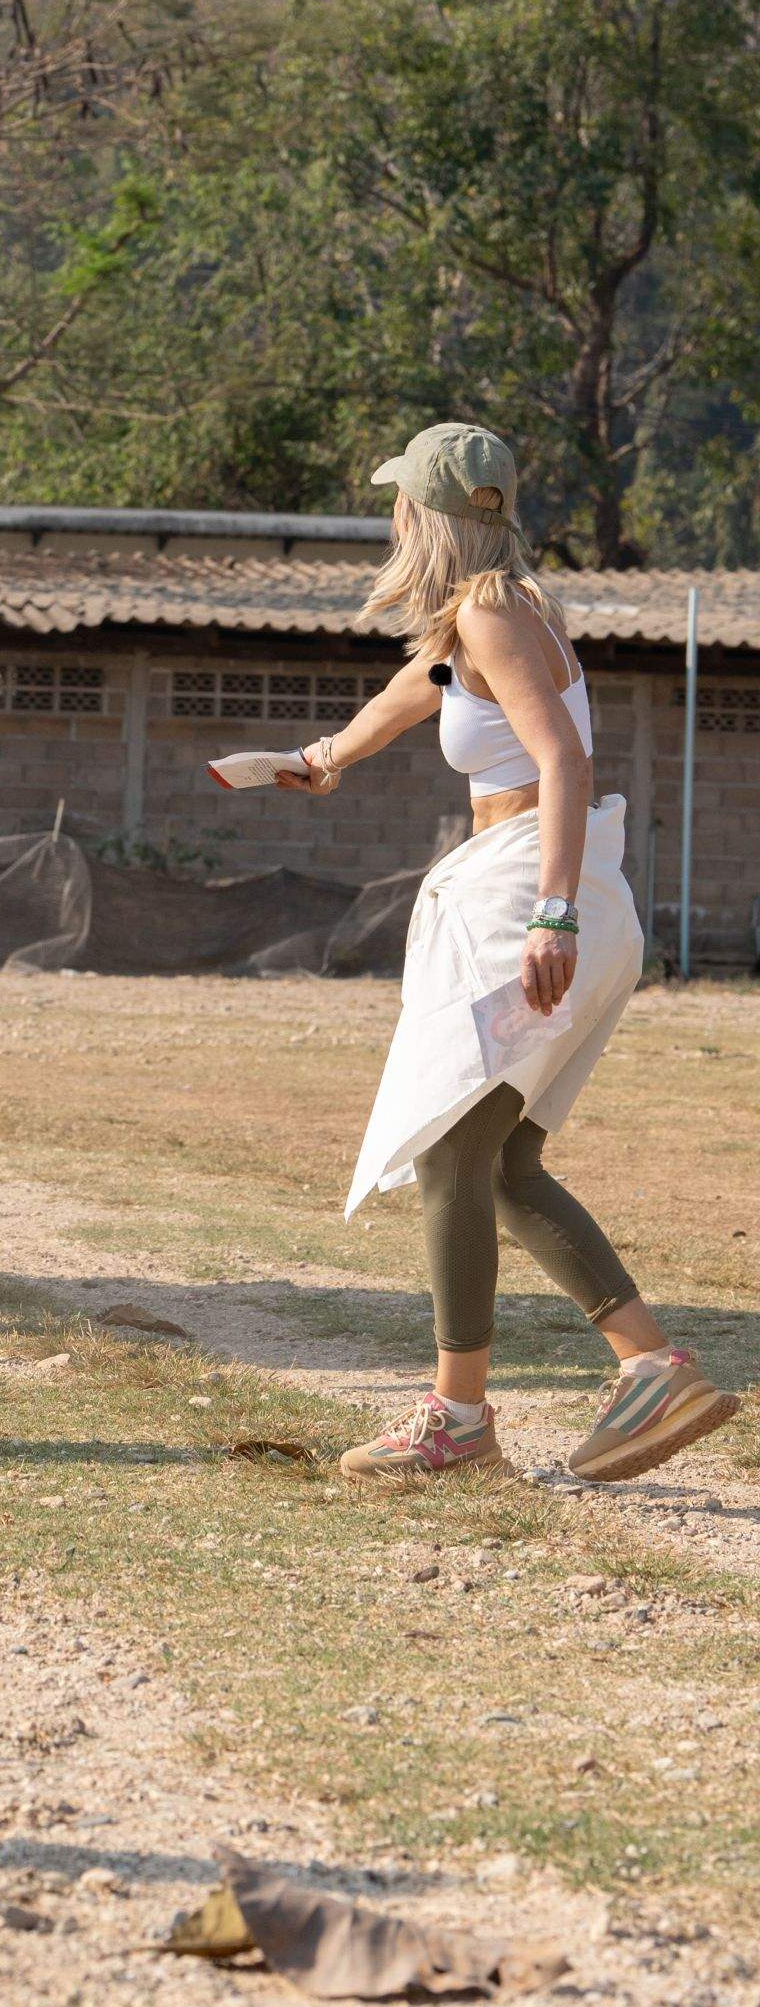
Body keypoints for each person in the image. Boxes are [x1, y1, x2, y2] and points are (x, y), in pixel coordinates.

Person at [278, 422, 739, 1488]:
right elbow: (414, 693)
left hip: (526, 895)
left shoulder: (488, 613)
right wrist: (321, 758)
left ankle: (461, 1417)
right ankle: (646, 1367)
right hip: (563, 889)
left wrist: (552, 914)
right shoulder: (501, 614)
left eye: (401, 501)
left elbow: (565, 758)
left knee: (451, 1153)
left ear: (424, 514)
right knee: (504, 1163)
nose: (393, 516)